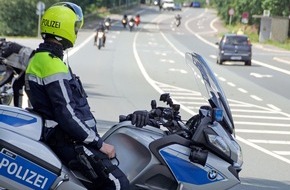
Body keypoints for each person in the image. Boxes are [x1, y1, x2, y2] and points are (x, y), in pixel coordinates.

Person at [24, 2, 131, 189]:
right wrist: (98, 144)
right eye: (74, 27)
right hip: (67, 140)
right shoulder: (52, 64)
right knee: (118, 184)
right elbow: (66, 113)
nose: (75, 31)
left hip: (62, 137)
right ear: (63, 27)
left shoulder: (39, 58)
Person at [0, 39, 33, 107]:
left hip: (31, 66)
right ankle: (21, 108)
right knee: (18, 86)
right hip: (31, 64)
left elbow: (9, 74)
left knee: (22, 86)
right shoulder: (7, 47)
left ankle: (23, 108)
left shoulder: (4, 52)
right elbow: (9, 72)